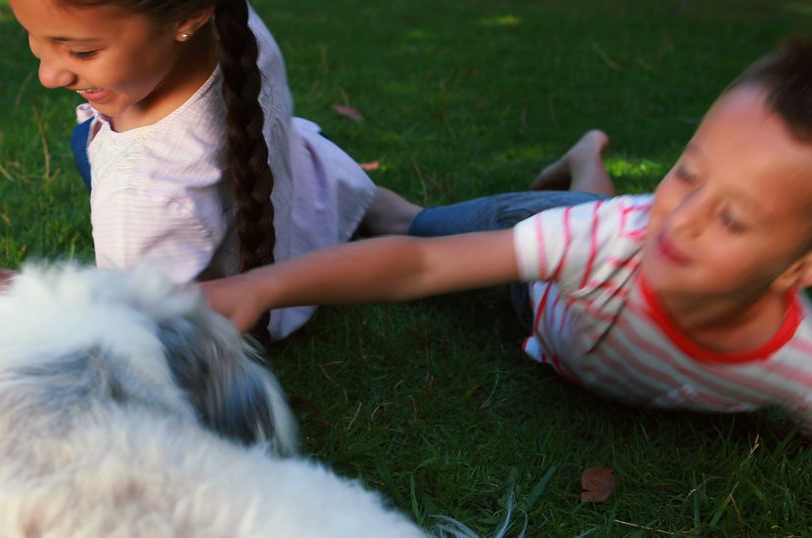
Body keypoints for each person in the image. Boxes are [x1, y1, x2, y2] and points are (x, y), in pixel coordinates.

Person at [202, 37, 812, 436]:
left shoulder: (800, 364)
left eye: (732, 219)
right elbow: (420, 265)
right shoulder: (614, 237)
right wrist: (265, 284)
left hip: (585, 248)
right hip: (541, 258)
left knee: (594, 217)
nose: (681, 218)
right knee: (406, 223)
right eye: (687, 173)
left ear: (797, 269)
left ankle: (586, 154)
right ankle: (327, 164)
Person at [0, 0, 414, 340]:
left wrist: (22, 306)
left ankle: (387, 214)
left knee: (82, 143)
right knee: (83, 137)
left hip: (244, 278)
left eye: (82, 52)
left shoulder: (143, 197)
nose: (48, 75)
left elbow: (142, 340)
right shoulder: (228, 16)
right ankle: (379, 209)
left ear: (186, 18)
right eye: (34, 35)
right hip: (305, 197)